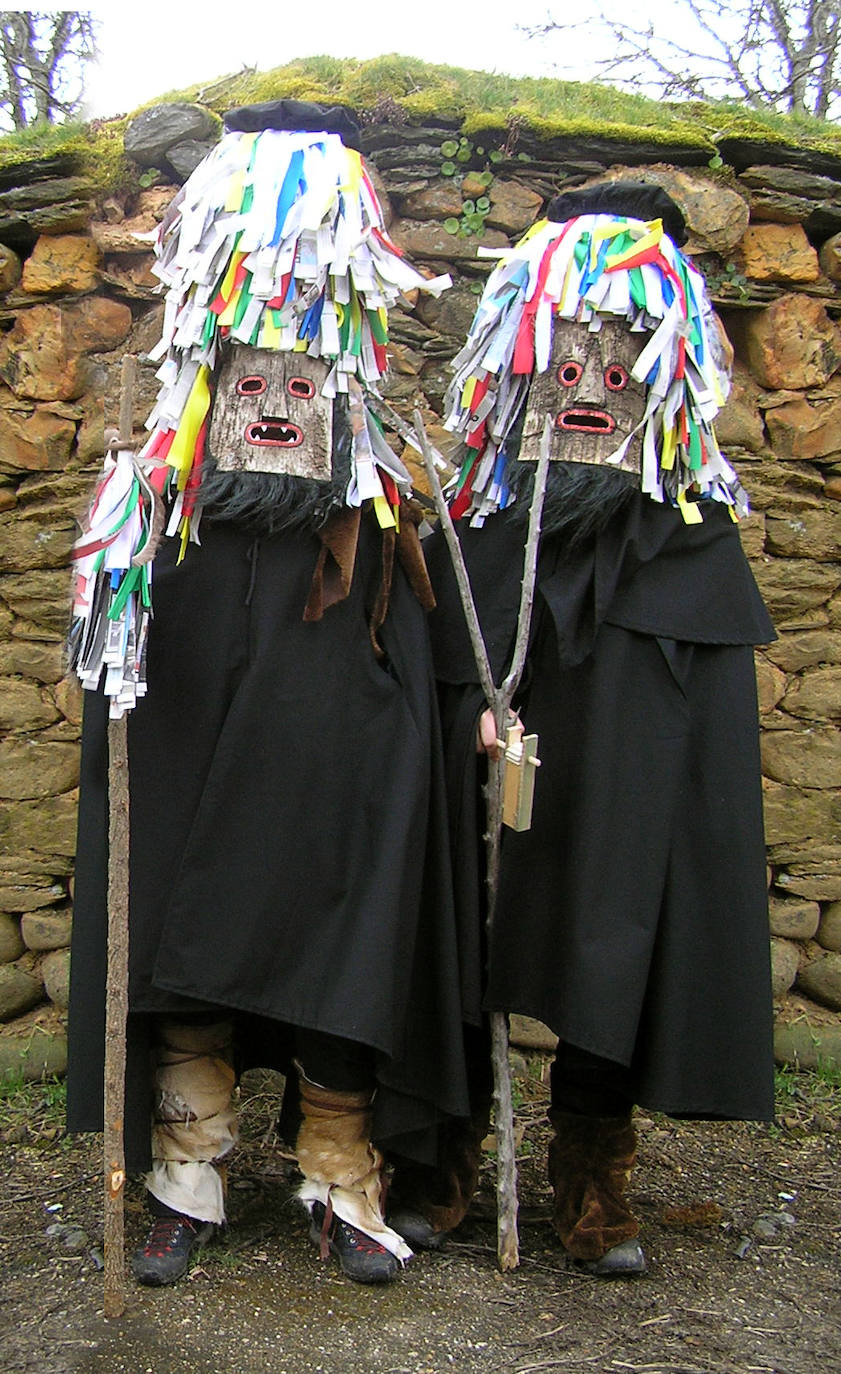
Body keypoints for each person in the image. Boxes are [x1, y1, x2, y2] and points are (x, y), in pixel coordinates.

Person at [66, 101, 469, 1288]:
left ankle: (341, 1168)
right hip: (192, 639)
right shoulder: (152, 494)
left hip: (336, 665)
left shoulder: (386, 490)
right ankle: (186, 1169)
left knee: (346, 898)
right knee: (181, 885)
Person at [413, 183, 776, 1275]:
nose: (586, 394)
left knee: (616, 911)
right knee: (458, 912)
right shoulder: (472, 522)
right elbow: (430, 661)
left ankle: (590, 1164)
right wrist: (462, 703)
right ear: (518, 369)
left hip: (614, 754)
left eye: (616, 374)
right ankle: (443, 1148)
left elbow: (697, 735)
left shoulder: (688, 543)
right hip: (499, 753)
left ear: (660, 385)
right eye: (563, 370)